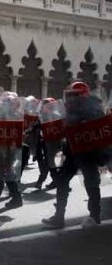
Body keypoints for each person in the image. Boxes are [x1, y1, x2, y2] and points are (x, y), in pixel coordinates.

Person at [42, 81, 108, 228]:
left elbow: (98, 128)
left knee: (91, 183)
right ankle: (59, 217)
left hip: (88, 151)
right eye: (69, 95)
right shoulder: (68, 110)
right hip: (72, 150)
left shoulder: (94, 109)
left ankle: (95, 216)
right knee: (62, 180)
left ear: (82, 95)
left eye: (73, 95)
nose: (70, 99)